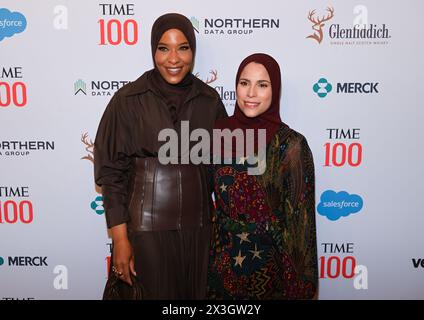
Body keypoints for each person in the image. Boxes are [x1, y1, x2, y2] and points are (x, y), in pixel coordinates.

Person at [94, 13, 227, 299]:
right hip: (144, 233)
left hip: (200, 234)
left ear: (193, 50)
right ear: (153, 49)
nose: (173, 58)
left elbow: (225, 171)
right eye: (164, 48)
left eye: (183, 47)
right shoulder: (127, 100)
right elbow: (112, 175)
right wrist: (120, 239)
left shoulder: (210, 101)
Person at [207, 53, 318, 299]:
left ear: (274, 90)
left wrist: (301, 288)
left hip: (272, 275)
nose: (251, 93)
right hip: (220, 274)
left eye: (262, 85)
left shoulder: (291, 146)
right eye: (244, 83)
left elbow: (301, 225)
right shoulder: (217, 135)